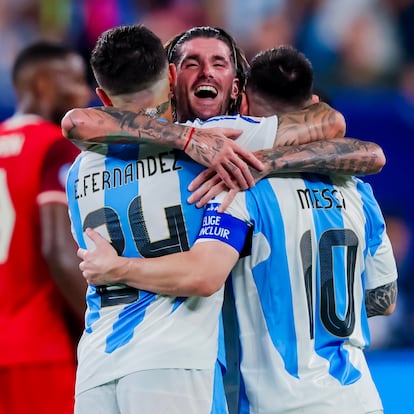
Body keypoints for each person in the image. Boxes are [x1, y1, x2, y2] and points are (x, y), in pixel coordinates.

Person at [78, 45, 398, 414]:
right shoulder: (359, 192)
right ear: (311, 106)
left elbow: (204, 273)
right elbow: (384, 300)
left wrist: (118, 269)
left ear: (242, 103)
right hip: (359, 397)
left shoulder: (238, 185)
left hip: (281, 403)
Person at [0, 41, 90, 414]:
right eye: (74, 81)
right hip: (41, 350)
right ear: (41, 86)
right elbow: (58, 252)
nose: (83, 93)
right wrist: (101, 330)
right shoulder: (55, 147)